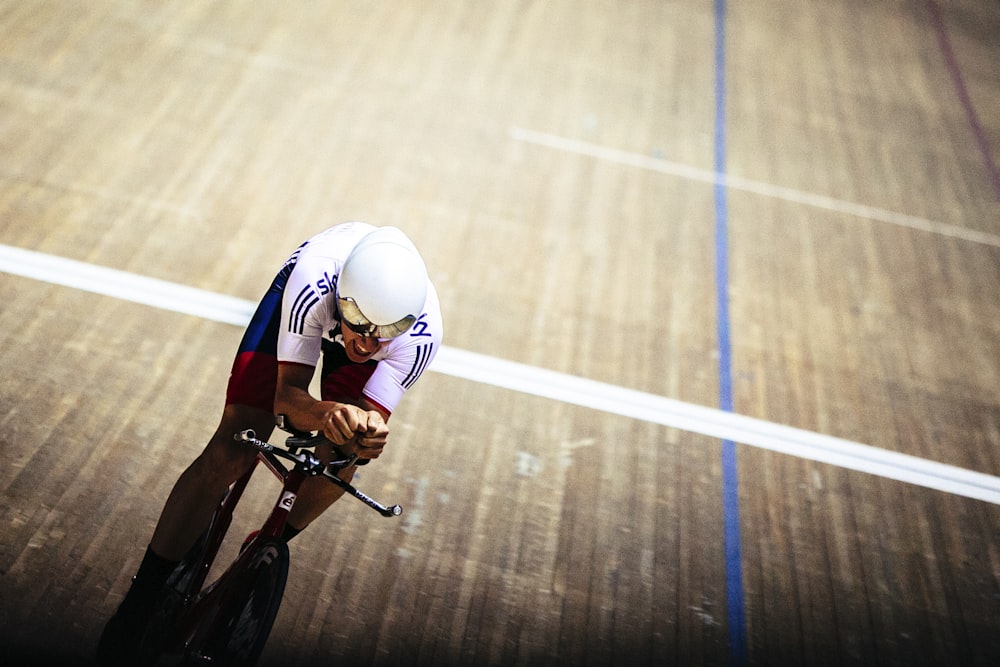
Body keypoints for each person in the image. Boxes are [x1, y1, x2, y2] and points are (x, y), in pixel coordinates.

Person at [96, 222, 442, 664]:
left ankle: (265, 548)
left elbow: (368, 420)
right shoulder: (315, 282)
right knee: (237, 441)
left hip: (364, 318)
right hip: (303, 307)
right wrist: (322, 413)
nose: (367, 340)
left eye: (387, 329)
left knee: (343, 455)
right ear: (342, 297)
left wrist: (365, 435)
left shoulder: (419, 335)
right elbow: (286, 399)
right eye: (358, 323)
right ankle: (142, 598)